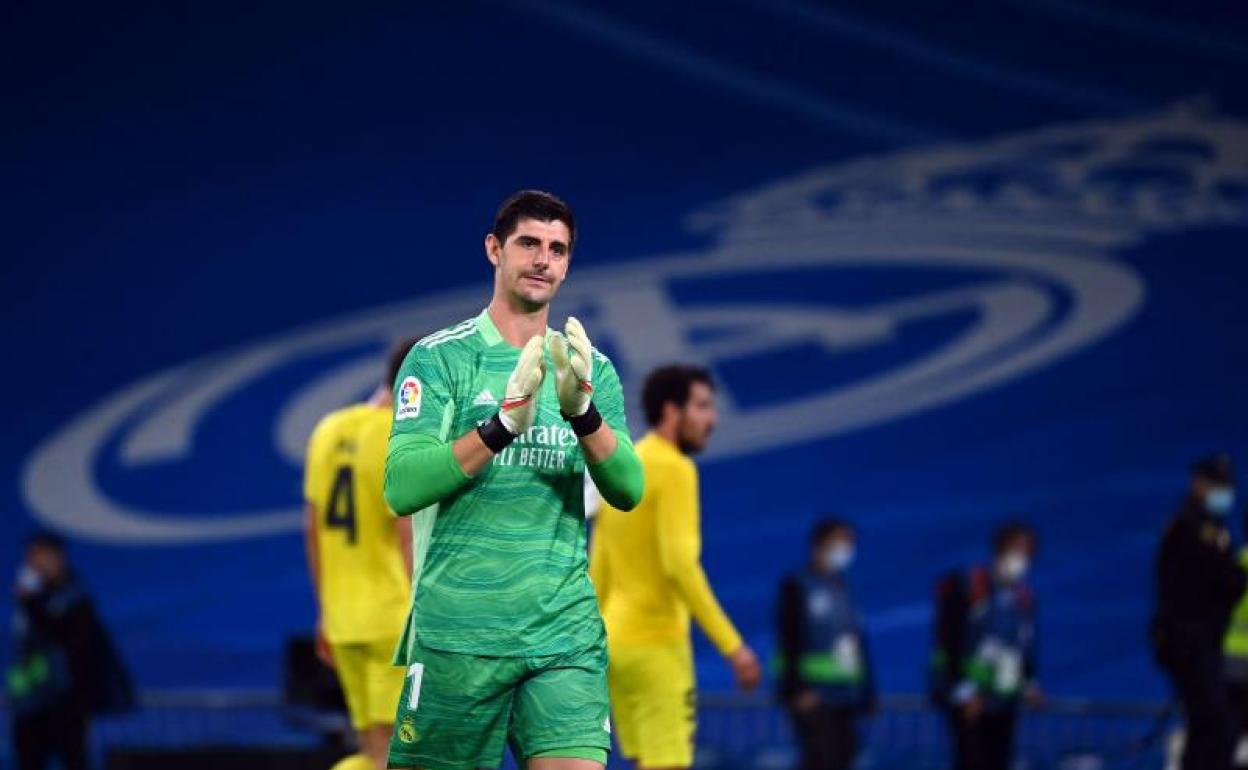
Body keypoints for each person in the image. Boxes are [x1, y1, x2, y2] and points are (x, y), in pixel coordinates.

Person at [382, 190, 644, 770]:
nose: (543, 259)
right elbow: (401, 486)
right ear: (494, 249)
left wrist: (583, 414)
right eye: (529, 243)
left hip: (563, 638)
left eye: (558, 248)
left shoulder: (589, 368)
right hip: (458, 637)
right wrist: (501, 426)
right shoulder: (438, 359)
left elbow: (628, 489)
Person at [591, 364, 762, 770]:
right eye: (702, 406)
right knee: (667, 762)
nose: (712, 419)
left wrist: (590, 641)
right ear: (671, 411)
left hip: (616, 647)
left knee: (645, 761)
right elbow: (680, 566)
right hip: (657, 646)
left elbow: (599, 562)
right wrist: (733, 647)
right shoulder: (675, 468)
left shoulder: (626, 463)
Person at [304, 338, 419, 770]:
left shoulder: (327, 430)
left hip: (344, 622)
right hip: (394, 620)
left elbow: (313, 529)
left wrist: (324, 612)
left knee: (373, 750)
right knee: (403, 752)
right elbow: (406, 533)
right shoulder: (399, 438)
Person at [8, 532, 133, 770]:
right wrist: (16, 693)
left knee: (73, 758)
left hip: (66, 700)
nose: (34, 561)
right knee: (28, 758)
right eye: (31, 555)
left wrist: (32, 601)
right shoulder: (28, 599)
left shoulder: (73, 595)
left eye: (41, 555)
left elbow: (67, 635)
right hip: (29, 701)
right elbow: (22, 652)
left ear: (58, 558)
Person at [1153, 453, 1244, 770]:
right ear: (1199, 484)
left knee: (1210, 727)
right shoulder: (1191, 529)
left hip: (1204, 643)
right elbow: (1220, 578)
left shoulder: (1211, 528)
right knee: (1216, 726)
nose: (1225, 493)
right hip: (1192, 641)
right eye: (1219, 485)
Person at [932, 521, 1042, 770]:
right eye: (1018, 549)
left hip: (1004, 699)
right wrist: (963, 690)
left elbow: (1023, 645)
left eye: (1029, 551)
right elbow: (948, 640)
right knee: (972, 762)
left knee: (999, 761)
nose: (1023, 557)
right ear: (1000, 548)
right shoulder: (970, 585)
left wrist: (1029, 683)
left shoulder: (1022, 597)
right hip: (970, 700)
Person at [776, 518, 875, 770]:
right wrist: (797, 689)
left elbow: (857, 644)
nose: (846, 548)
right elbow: (788, 639)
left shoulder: (842, 589)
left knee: (845, 756)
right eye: (840, 541)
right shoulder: (797, 586)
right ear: (819, 544)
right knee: (820, 760)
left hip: (846, 697)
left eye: (849, 542)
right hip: (812, 697)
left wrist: (867, 692)